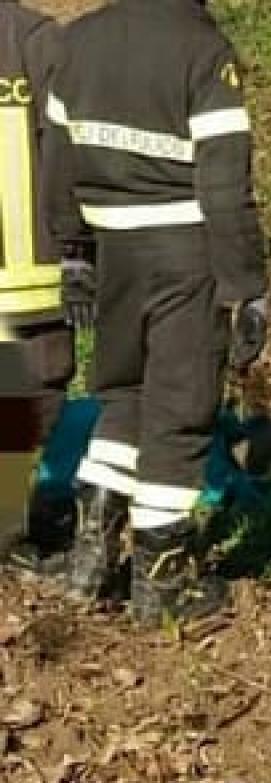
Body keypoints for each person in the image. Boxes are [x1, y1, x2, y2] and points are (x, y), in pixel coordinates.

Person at [44, 0, 267, 622]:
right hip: (184, 247)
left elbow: (56, 155)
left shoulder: (80, 39)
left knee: (127, 395)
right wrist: (246, 284)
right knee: (181, 407)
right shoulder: (204, 50)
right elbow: (225, 184)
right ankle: (162, 581)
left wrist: (73, 252)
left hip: (113, 248)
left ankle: (90, 559)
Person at [0, 0, 94, 573]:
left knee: (33, 397)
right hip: (31, 277)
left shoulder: (37, 41)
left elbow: (69, 150)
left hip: (29, 279)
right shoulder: (37, 40)